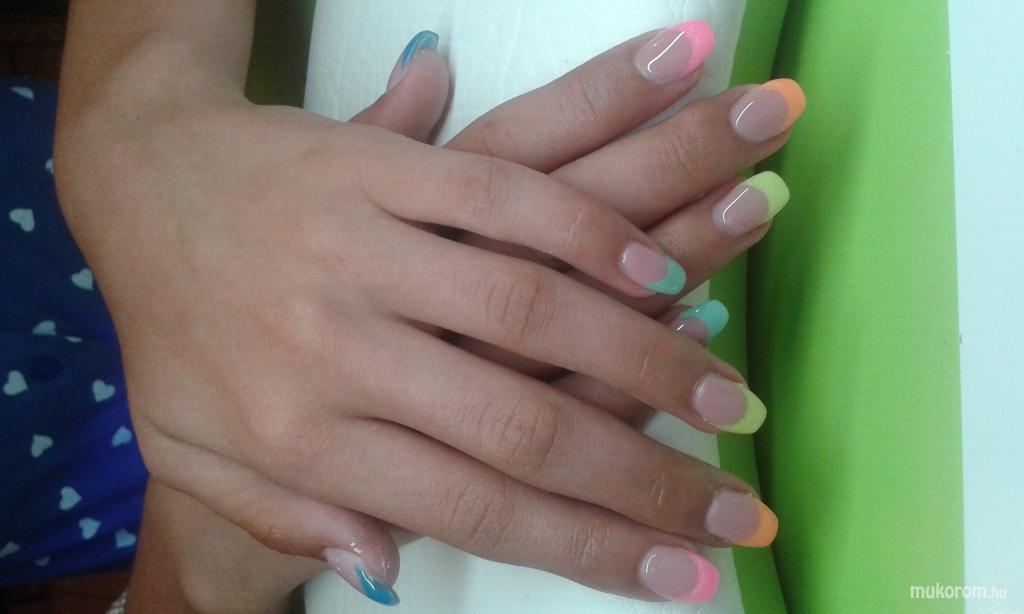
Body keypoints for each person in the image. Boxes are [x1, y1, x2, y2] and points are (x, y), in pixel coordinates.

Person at [20, 1, 803, 610]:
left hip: (270, 153)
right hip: (291, 493)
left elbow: (136, 119)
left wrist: (132, 131)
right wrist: (194, 572)